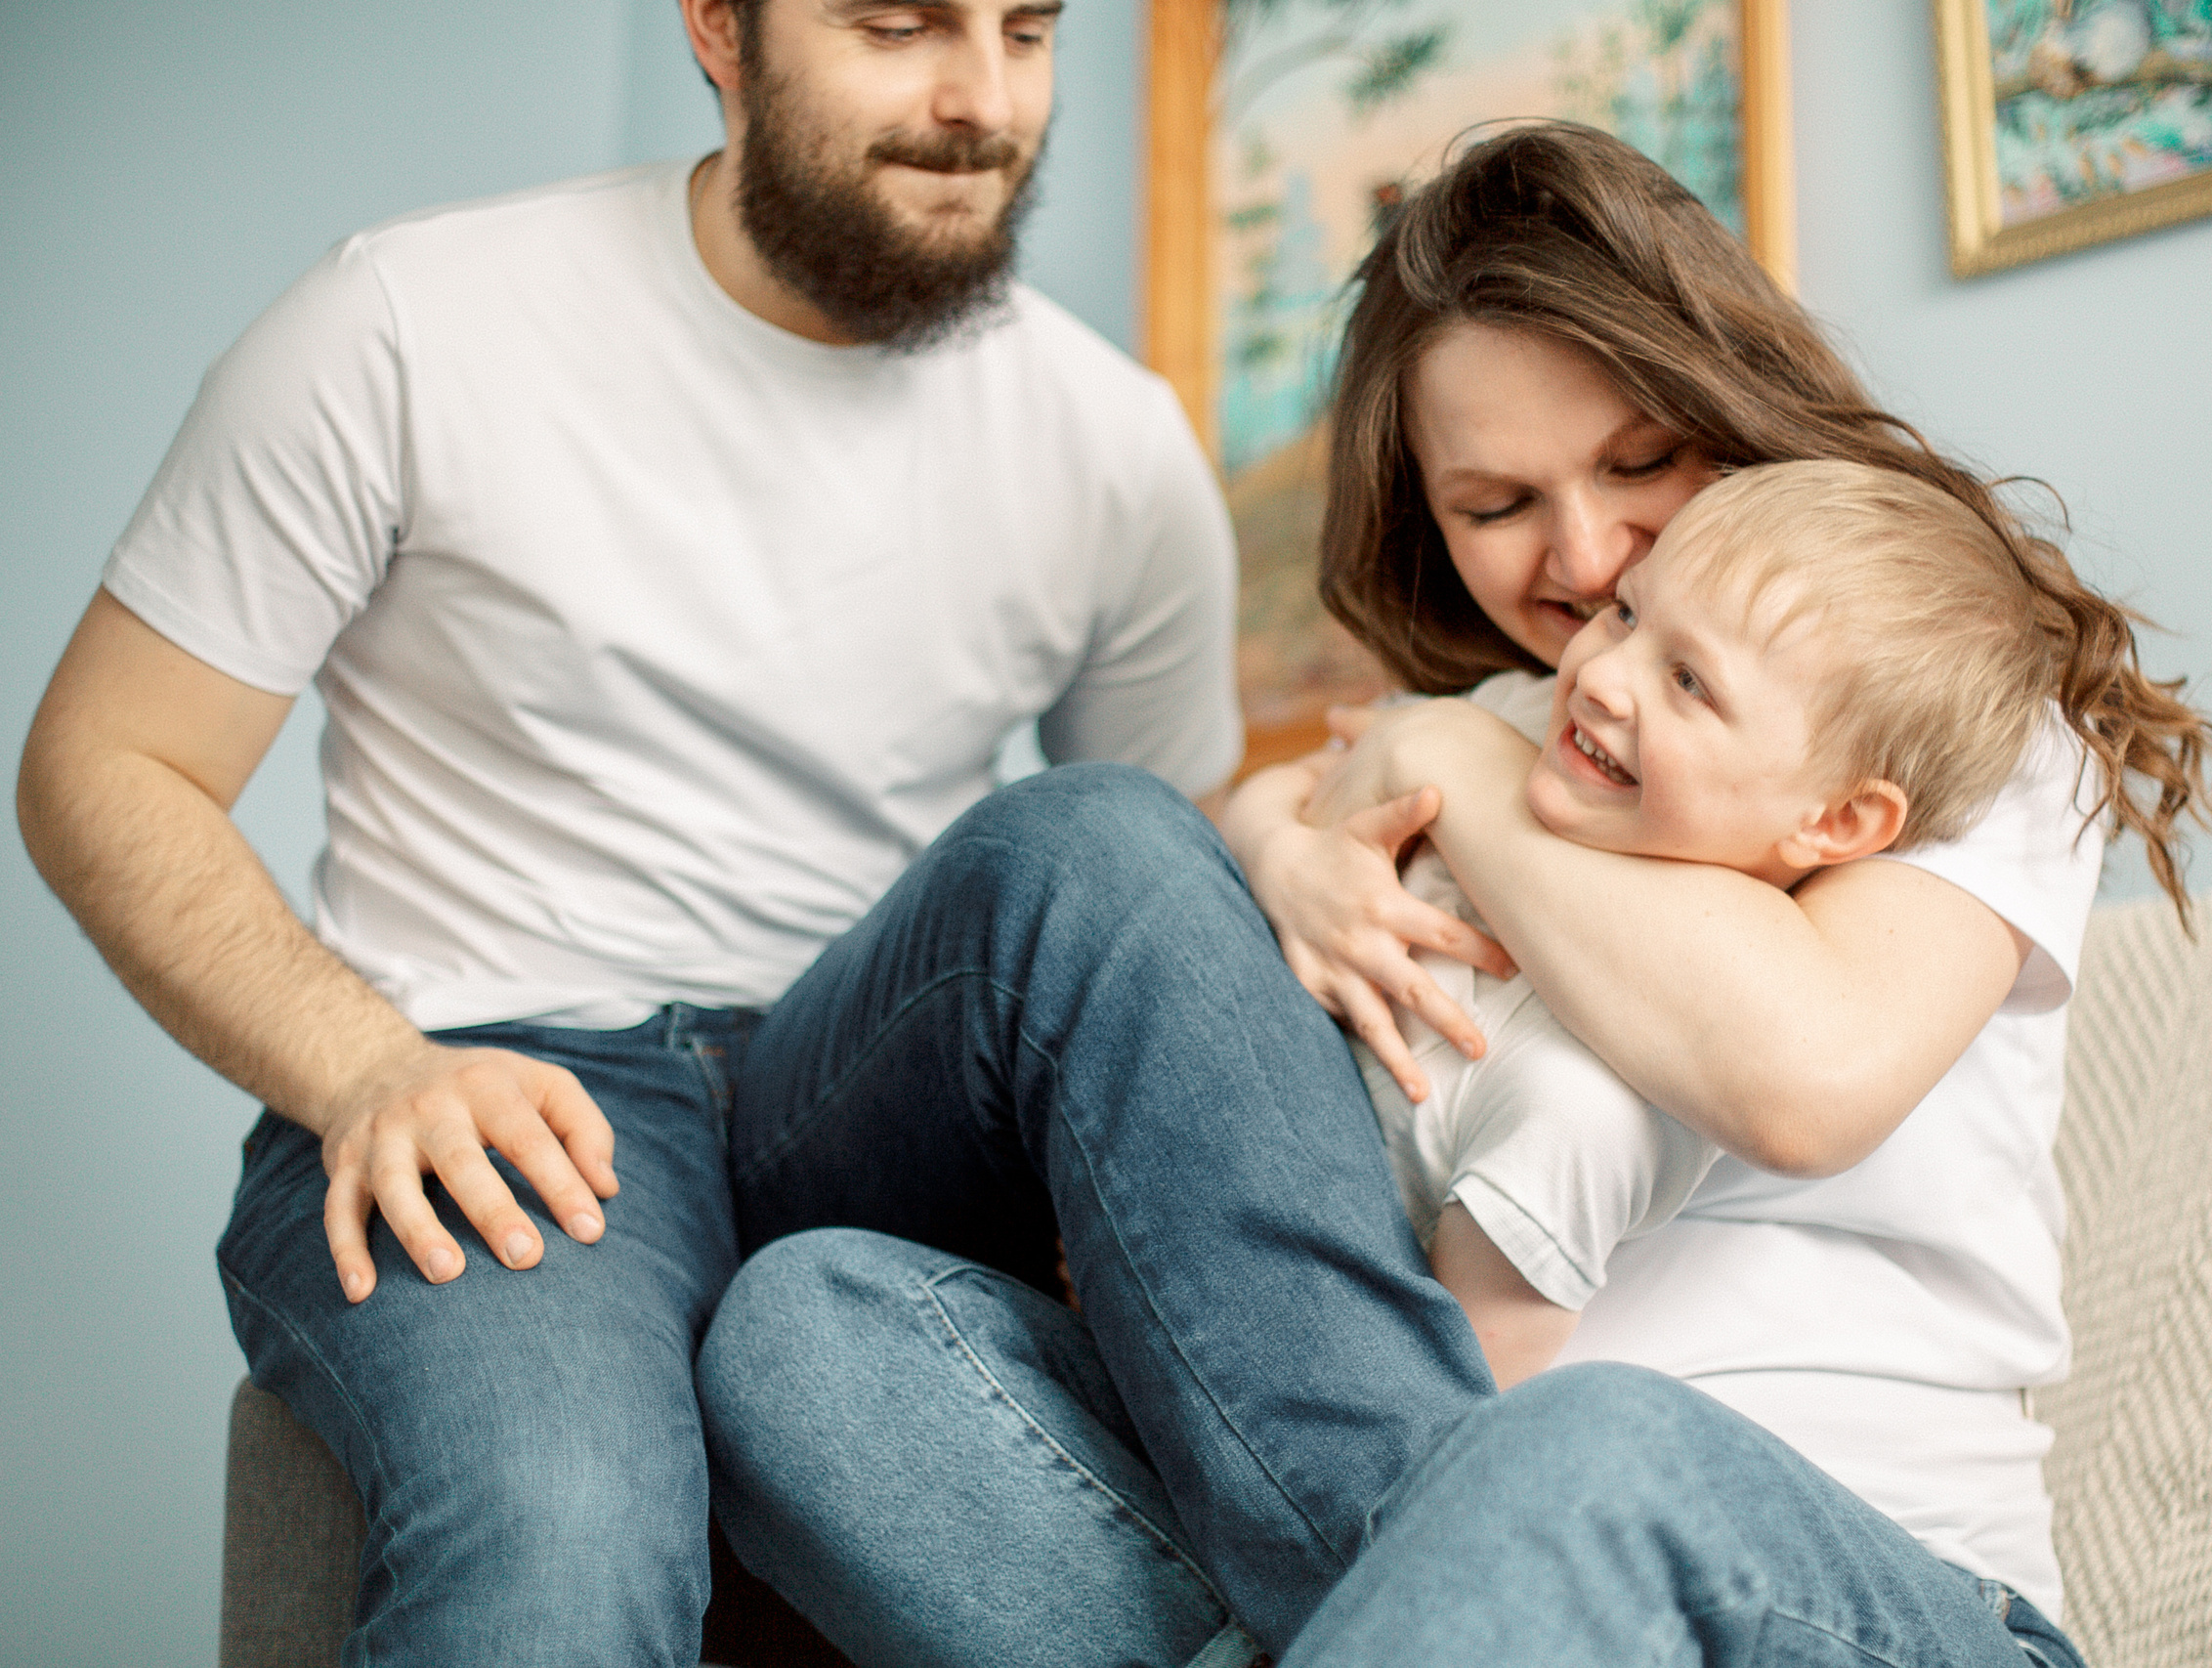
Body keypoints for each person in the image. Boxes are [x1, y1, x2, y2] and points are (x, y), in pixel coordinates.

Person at [696, 121, 2212, 1668]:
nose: (1581, 557)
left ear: (1727, 402)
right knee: (812, 1331)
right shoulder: (1539, 715)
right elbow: (1255, 845)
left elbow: (1808, 1071)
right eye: (1496, 506)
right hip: (1399, 1531)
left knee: (1587, 1441)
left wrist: (1457, 766)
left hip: (1840, 1589)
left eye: (1640, 463)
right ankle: (1376, 1594)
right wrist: (1280, 842)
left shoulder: (1954, 714)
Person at [9, 0, 1378, 1660]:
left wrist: (1308, 836)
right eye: (901, 24)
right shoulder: (405, 322)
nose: (982, 102)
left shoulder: (1116, 443)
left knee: (1103, 835)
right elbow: (106, 761)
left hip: (864, 1092)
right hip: (496, 1073)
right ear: (720, 29)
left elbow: (1145, 916)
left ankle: (1435, 1598)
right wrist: (367, 1068)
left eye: (1027, 31)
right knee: (564, 1531)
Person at [1362, 457, 2088, 1390]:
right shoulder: (1532, 720)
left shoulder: (1593, 1112)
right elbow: (1307, 783)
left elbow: (1433, 1415)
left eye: (1691, 683)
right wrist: (1285, 845)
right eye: (1626, 611)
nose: (1600, 676)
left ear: (1832, 822)